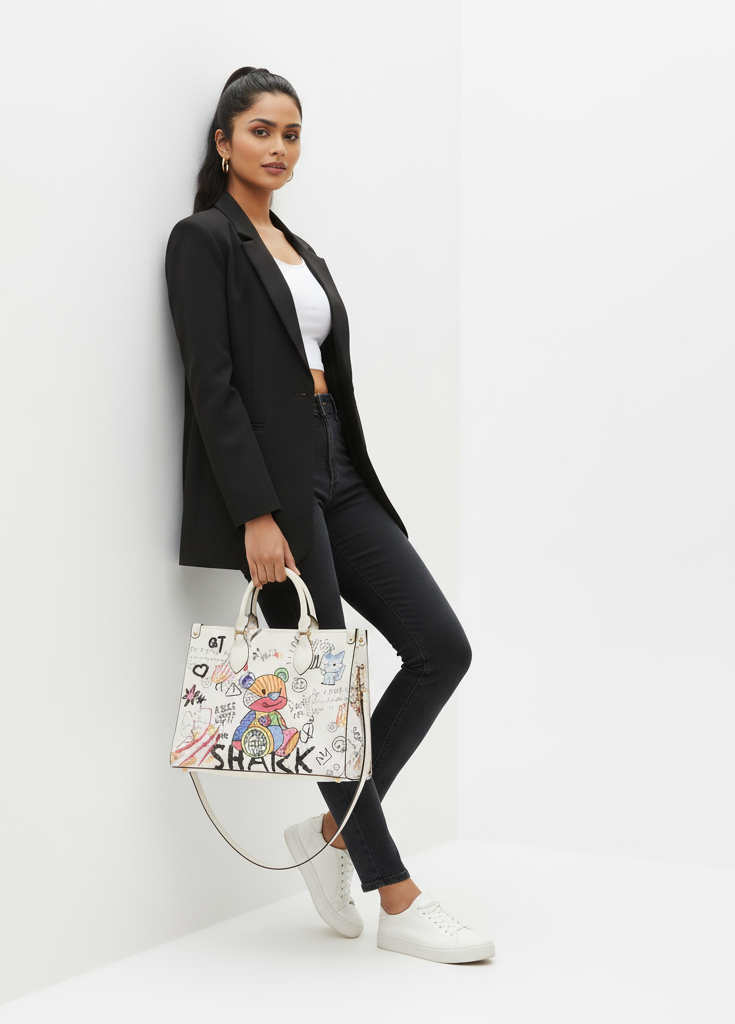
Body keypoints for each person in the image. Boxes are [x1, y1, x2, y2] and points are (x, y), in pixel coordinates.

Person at [165, 66, 494, 964]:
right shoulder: (204, 241)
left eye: (293, 133)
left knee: (441, 647)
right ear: (224, 141)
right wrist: (256, 513)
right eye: (262, 130)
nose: (280, 148)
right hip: (275, 486)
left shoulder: (300, 247)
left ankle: (331, 834)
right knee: (329, 689)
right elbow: (212, 386)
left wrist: (330, 466)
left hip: (340, 468)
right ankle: (399, 897)